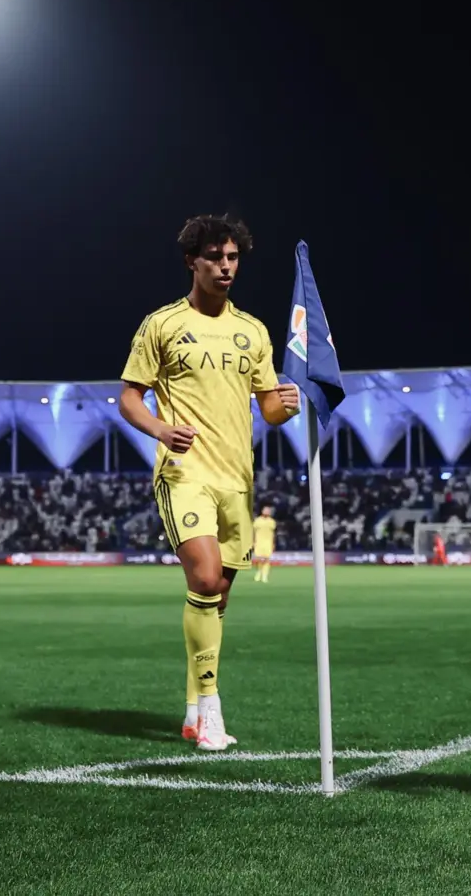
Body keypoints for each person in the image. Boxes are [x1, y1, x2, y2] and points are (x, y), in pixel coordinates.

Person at [119, 214, 299, 752]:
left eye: (233, 258)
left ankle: (194, 707)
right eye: (215, 258)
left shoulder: (253, 331)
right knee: (203, 576)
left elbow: (268, 409)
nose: (226, 267)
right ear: (192, 263)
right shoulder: (163, 324)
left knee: (217, 595)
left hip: (236, 479)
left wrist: (287, 403)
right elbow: (129, 396)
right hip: (184, 473)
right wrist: (159, 427)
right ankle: (213, 709)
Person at [252, 504, 277, 582]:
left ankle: (265, 575)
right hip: (258, 542)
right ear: (262, 511)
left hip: (268, 543)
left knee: (267, 559)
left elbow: (273, 534)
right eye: (265, 510)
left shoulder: (272, 522)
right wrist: (252, 541)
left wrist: (273, 543)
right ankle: (259, 571)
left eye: (268, 510)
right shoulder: (257, 520)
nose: (267, 512)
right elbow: (253, 532)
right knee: (258, 559)